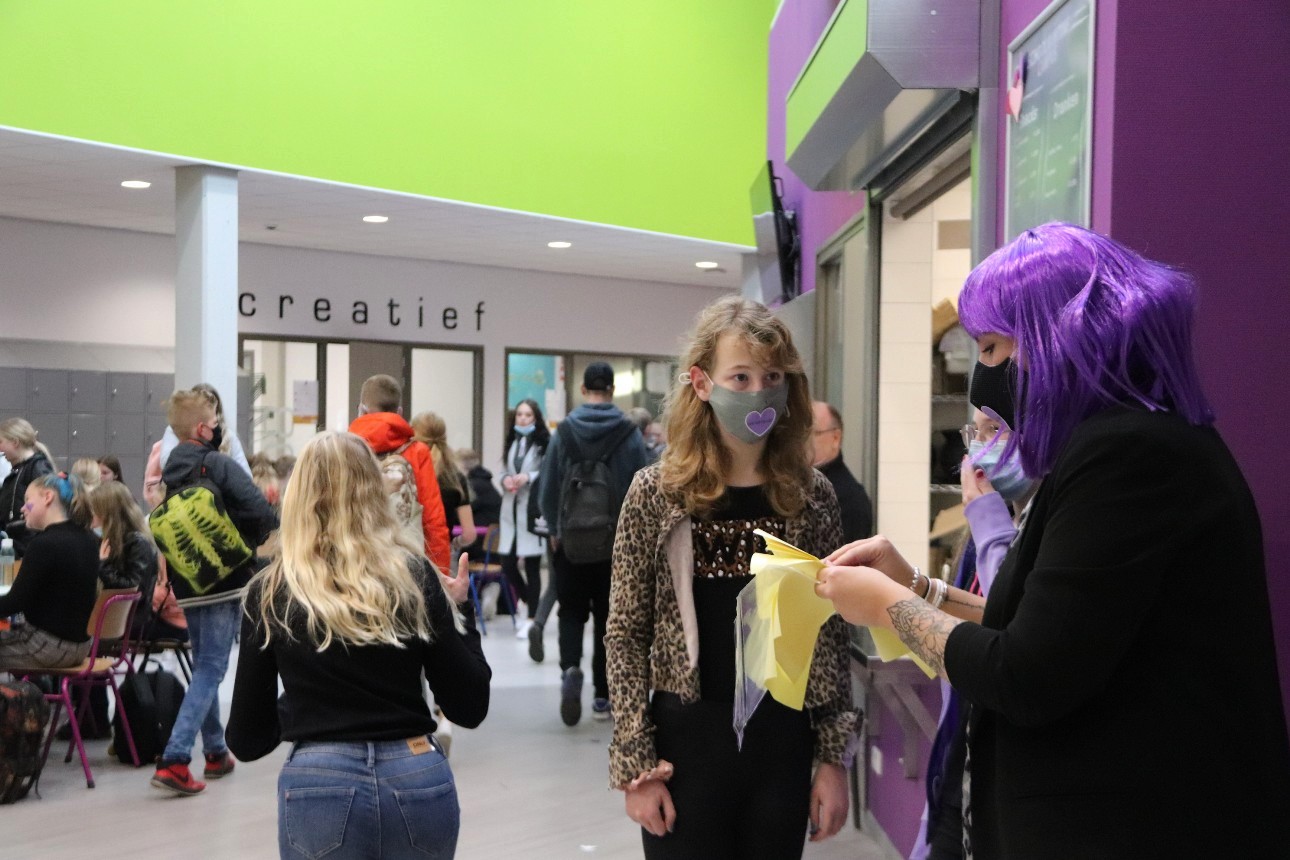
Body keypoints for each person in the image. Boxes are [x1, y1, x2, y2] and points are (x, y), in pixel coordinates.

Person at [816, 223, 1290, 858]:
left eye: (991, 348)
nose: (981, 377)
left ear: (1057, 339)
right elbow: (1040, 630)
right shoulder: (1119, 449)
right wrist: (917, 587)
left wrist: (888, 607)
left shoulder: (1129, 455)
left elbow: (1025, 673)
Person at [605, 297, 855, 858]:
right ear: (701, 382)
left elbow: (829, 635)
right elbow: (625, 634)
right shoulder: (656, 494)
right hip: (687, 742)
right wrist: (636, 764)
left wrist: (833, 758)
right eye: (740, 377)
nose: (758, 393)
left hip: (781, 740)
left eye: (772, 377)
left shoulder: (812, 497)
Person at [228, 431, 491, 860]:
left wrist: (306, 704)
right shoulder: (414, 578)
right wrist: (461, 612)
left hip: (319, 782)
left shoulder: (271, 592)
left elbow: (246, 738)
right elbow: (469, 706)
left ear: (297, 498)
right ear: (375, 492)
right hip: (416, 774)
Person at [913, 408, 1032, 860]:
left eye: (996, 430)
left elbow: (1016, 625)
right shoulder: (975, 538)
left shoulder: (1032, 533)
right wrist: (909, 589)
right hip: (959, 771)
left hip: (1013, 785)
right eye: (975, 433)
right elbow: (975, 622)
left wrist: (987, 520)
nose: (981, 447)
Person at [151, 388, 278, 797]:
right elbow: (261, 511)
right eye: (214, 422)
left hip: (189, 582)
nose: (218, 427)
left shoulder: (171, 472)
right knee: (211, 668)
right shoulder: (217, 464)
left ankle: (216, 751)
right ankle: (175, 759)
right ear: (202, 428)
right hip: (225, 579)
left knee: (204, 664)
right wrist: (253, 539)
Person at [541, 363, 648, 726]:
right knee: (609, 618)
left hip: (571, 542)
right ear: (613, 390)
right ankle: (603, 696)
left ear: (584, 390)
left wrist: (555, 529)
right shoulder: (629, 434)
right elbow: (642, 488)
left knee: (571, 612)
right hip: (615, 545)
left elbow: (548, 489)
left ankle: (570, 669)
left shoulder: (564, 432)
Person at [75, 481, 161, 738]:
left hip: (130, 620)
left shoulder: (137, 543)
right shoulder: (114, 540)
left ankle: (92, 719)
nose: (91, 515)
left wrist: (102, 565)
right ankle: (91, 718)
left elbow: (130, 587)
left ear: (108, 511)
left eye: (95, 509)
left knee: (76, 642)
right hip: (114, 619)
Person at [348, 374, 452, 574]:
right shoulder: (417, 452)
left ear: (361, 410)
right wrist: (441, 575)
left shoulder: (344, 449)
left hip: (356, 563)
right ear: (399, 412)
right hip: (406, 565)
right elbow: (434, 521)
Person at [0, 473, 100, 671]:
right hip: (80, 646)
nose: (22, 508)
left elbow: (15, 602)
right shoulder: (88, 538)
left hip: (47, 647)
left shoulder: (44, 544)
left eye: (28, 500)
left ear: (47, 497)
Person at [145, 382, 252, 497]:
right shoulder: (175, 431)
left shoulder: (227, 435)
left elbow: (245, 477)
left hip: (218, 499)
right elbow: (166, 463)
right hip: (182, 496)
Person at [499, 399, 548, 639]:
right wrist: (505, 479)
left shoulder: (543, 444)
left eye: (528, 415)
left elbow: (548, 471)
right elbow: (503, 469)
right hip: (510, 508)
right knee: (507, 563)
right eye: (519, 414)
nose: (523, 419)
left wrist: (529, 476)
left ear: (535, 418)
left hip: (531, 509)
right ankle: (530, 602)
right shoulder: (512, 441)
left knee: (532, 566)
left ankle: (531, 618)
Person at [411, 412, 477, 553]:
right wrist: (453, 544)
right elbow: (469, 534)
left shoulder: (408, 473)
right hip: (442, 553)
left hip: (412, 551)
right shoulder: (455, 478)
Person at [809, 401, 873, 543]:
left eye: (812, 432)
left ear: (835, 438)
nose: (802, 440)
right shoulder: (792, 485)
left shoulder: (850, 499)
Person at [0, 417, 56, 558]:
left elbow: (44, 506)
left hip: (29, 545)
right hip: (18, 544)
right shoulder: (16, 472)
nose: (0, 448)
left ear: (15, 442)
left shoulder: (37, 468)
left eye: (1, 442)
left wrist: (20, 523)